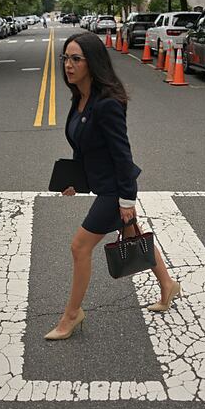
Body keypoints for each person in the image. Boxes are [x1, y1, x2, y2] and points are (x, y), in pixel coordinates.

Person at [45, 32, 180, 341]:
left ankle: (72, 315)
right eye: (65, 58)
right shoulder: (80, 98)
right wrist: (74, 181)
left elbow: (122, 154)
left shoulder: (107, 104)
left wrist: (126, 201)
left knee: (79, 247)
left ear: (92, 63)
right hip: (102, 185)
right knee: (133, 233)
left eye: (76, 58)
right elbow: (82, 146)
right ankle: (168, 285)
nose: (69, 64)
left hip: (115, 190)